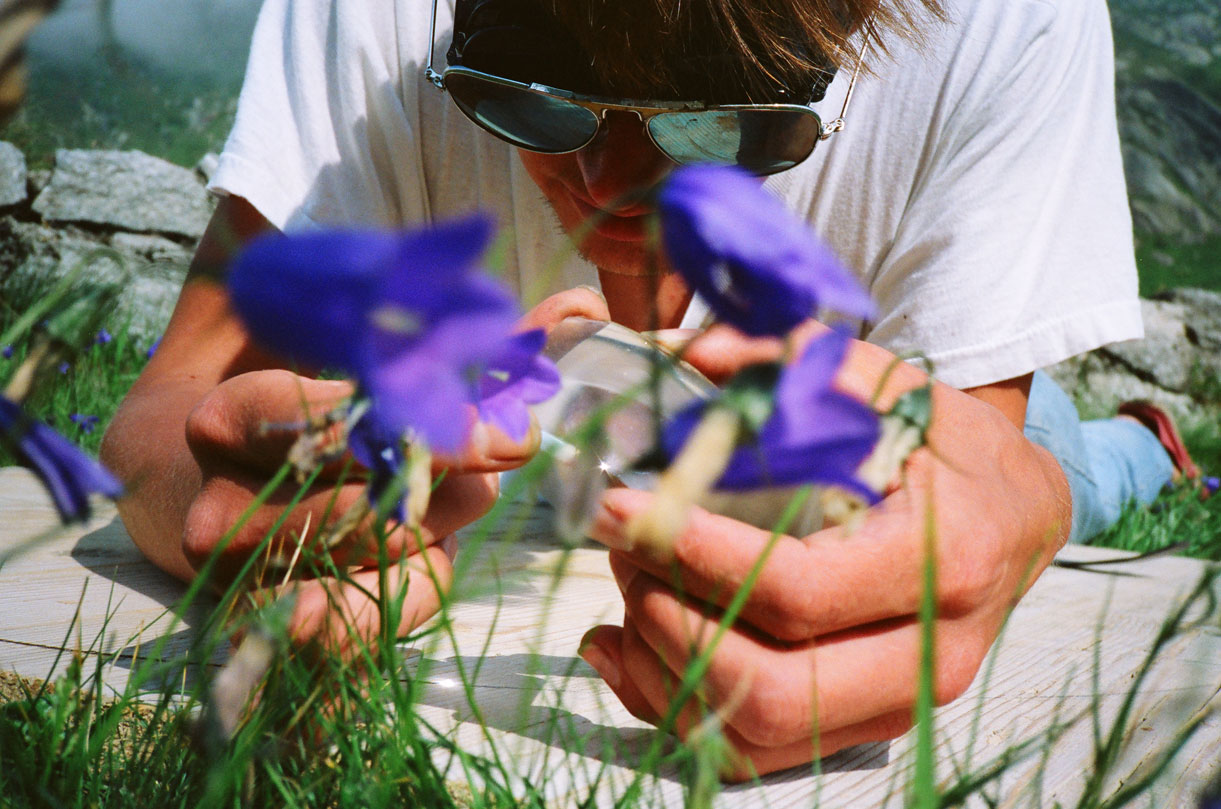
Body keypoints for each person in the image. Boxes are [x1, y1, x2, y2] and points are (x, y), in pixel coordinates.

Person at [99, 0, 1191, 779]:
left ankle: (1145, 442)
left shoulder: (1006, 19)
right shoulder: (365, 15)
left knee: (1071, 465)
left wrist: (1029, 500)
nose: (610, 192)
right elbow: (169, 404)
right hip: (636, 440)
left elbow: (953, 516)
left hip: (884, 391)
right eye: (526, 99)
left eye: (727, 121)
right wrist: (227, 485)